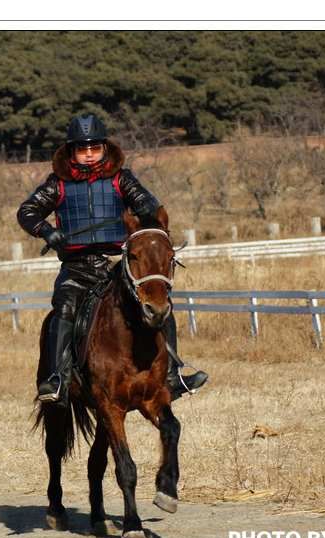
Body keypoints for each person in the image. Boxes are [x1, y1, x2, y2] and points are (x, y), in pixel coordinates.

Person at [17, 114, 208, 405]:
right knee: (63, 309)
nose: (90, 153)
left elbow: (147, 205)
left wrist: (146, 211)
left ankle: (173, 375)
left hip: (114, 265)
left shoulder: (122, 179)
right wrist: (47, 231)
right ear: (72, 151)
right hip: (76, 268)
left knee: (158, 304)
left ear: (104, 147)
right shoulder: (57, 184)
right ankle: (55, 379)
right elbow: (27, 211)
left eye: (95, 147)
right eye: (83, 148)